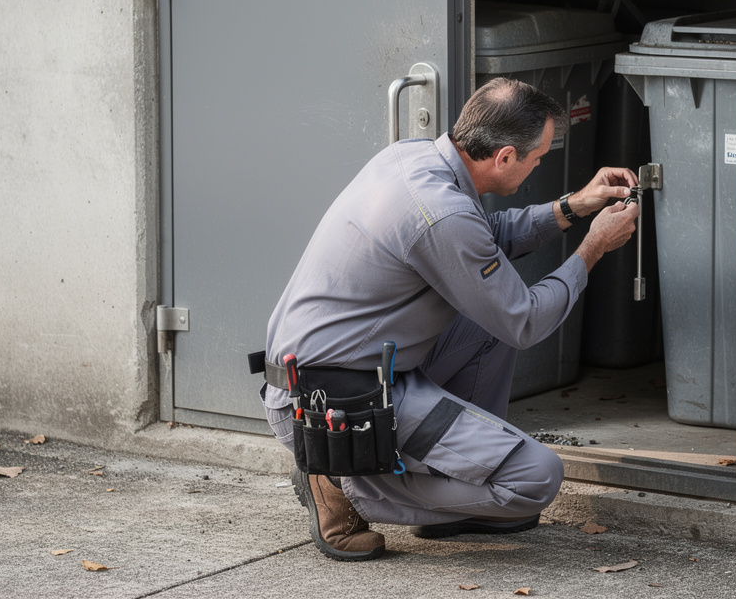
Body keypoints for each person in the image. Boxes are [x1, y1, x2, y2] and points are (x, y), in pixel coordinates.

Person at [261, 77, 639, 561]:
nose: (539, 163)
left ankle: (452, 491)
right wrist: (593, 248)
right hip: (336, 402)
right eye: (538, 157)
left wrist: (572, 206)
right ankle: (341, 482)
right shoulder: (440, 211)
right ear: (504, 157)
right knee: (535, 478)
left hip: (353, 370)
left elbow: (480, 236)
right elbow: (523, 322)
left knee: (487, 316)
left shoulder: (413, 158)